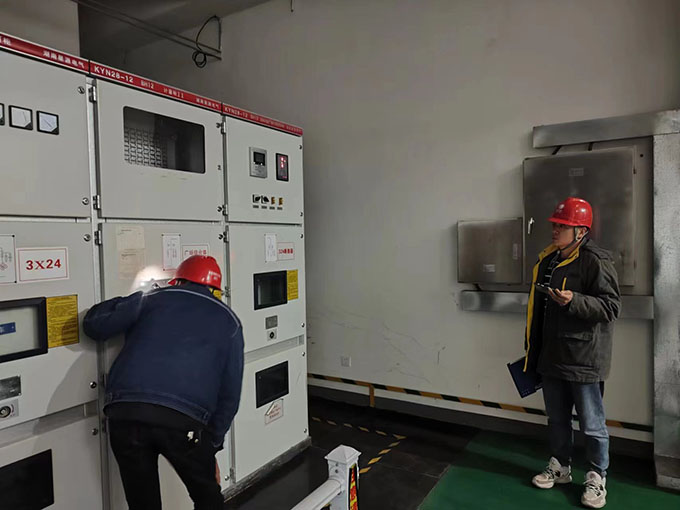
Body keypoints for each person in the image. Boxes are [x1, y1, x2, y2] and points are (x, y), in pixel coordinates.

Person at [84, 255, 244, 510]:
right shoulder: (229, 320)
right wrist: (212, 445)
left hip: (126, 413)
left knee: (143, 503)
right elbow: (230, 394)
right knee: (207, 497)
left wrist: (133, 298)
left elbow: (94, 324)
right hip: (183, 422)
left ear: (177, 280)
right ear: (216, 290)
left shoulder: (151, 299)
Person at [523, 197, 620, 509]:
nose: (555, 230)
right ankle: (560, 466)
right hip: (552, 354)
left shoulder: (595, 261)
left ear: (581, 231)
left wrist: (574, 301)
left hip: (584, 359)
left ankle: (596, 476)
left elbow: (611, 307)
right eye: (555, 225)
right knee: (557, 418)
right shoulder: (549, 260)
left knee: (592, 424)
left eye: (562, 226)